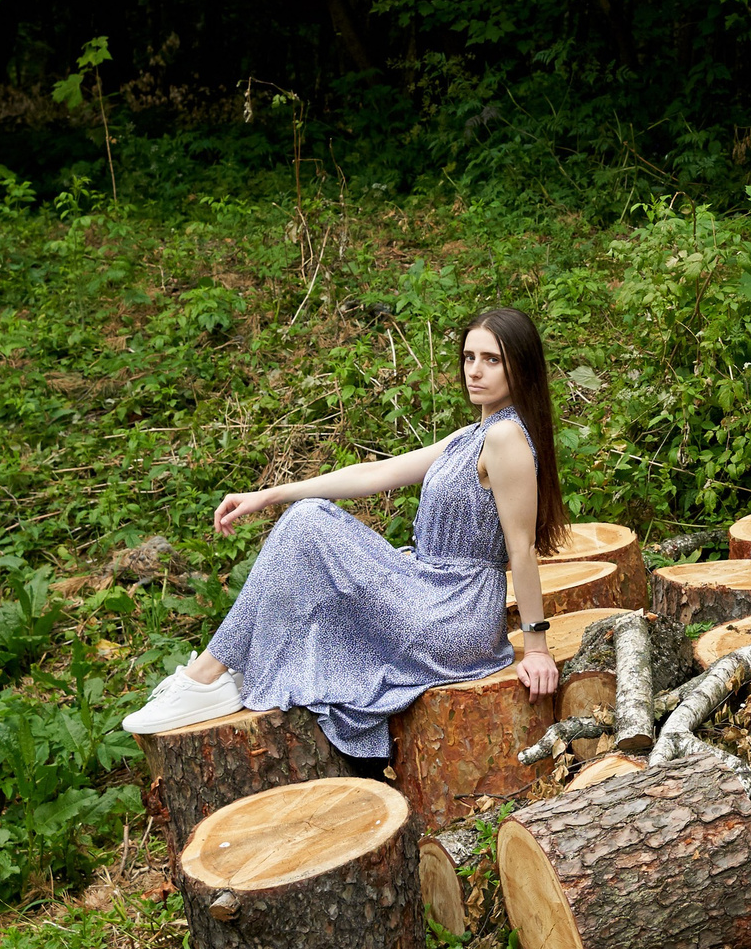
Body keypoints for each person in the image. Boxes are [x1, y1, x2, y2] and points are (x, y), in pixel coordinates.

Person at [119, 306, 566, 755]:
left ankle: (209, 676)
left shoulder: (506, 438)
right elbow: (374, 474)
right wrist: (269, 494)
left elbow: (522, 548)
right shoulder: (474, 435)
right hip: (430, 593)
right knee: (308, 516)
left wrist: (538, 648)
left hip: (453, 614)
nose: (474, 371)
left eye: (492, 360)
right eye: (469, 357)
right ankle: (229, 668)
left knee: (311, 521)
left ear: (519, 367)